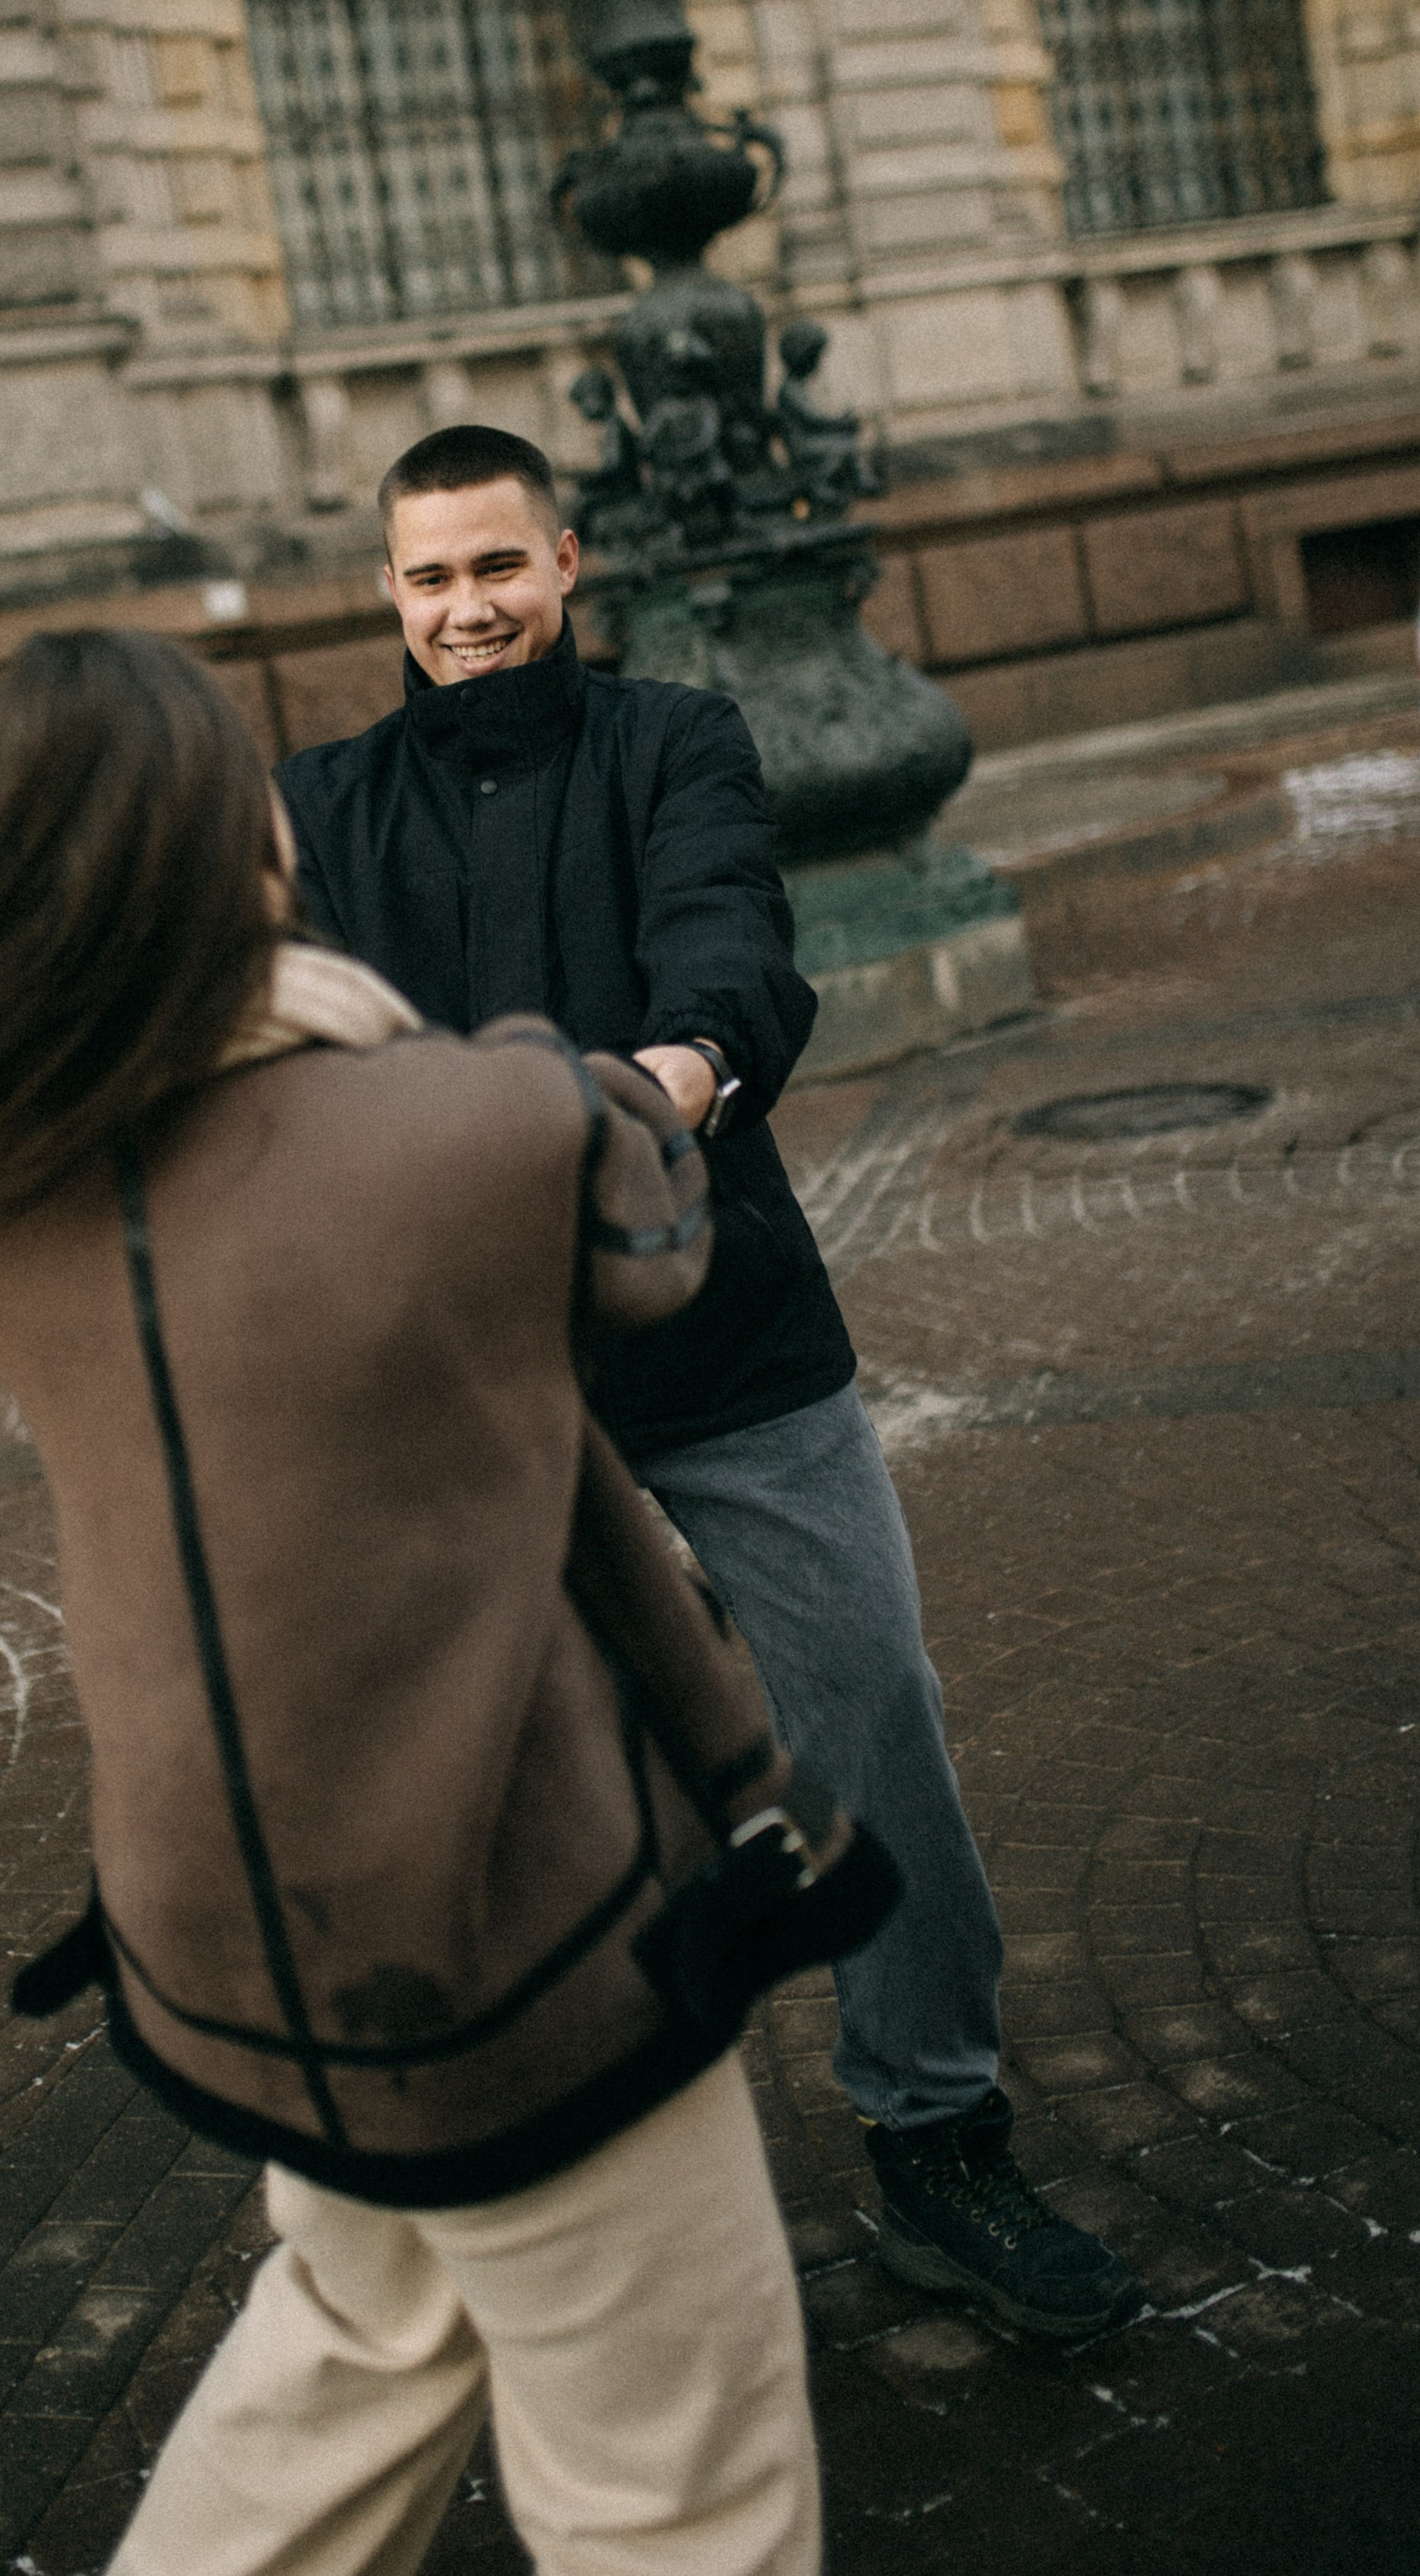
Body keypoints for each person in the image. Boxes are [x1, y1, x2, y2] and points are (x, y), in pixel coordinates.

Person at [0, 627, 898, 2576]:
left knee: (351, 2353)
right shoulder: (453, 1124)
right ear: (246, 839)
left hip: (235, 1947)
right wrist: (470, 1056)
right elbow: (650, 1229)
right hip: (506, 1940)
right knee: (681, 2490)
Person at [276, 425, 1144, 2342]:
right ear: (389, 593)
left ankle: (937, 2138)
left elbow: (731, 963)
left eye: (496, 566)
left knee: (868, 1709)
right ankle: (560, 2211)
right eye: (429, 577)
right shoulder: (317, 804)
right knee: (482, 1796)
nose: (466, 609)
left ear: (565, 561)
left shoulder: (676, 741)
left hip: (722, 1331)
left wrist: (659, 1081)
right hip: (473, 1388)